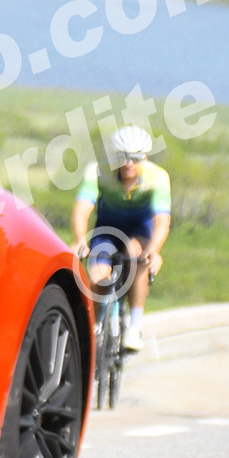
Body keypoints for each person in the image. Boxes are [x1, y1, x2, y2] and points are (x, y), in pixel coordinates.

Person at [72, 125, 170, 351]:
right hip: (107, 230)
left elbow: (162, 220)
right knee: (98, 278)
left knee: (137, 255)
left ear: (145, 158)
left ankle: (135, 325)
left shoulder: (157, 177)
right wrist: (80, 240)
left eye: (136, 158)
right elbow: (82, 209)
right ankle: (96, 326)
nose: (128, 163)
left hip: (139, 231)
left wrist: (154, 250)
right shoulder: (97, 171)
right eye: (122, 156)